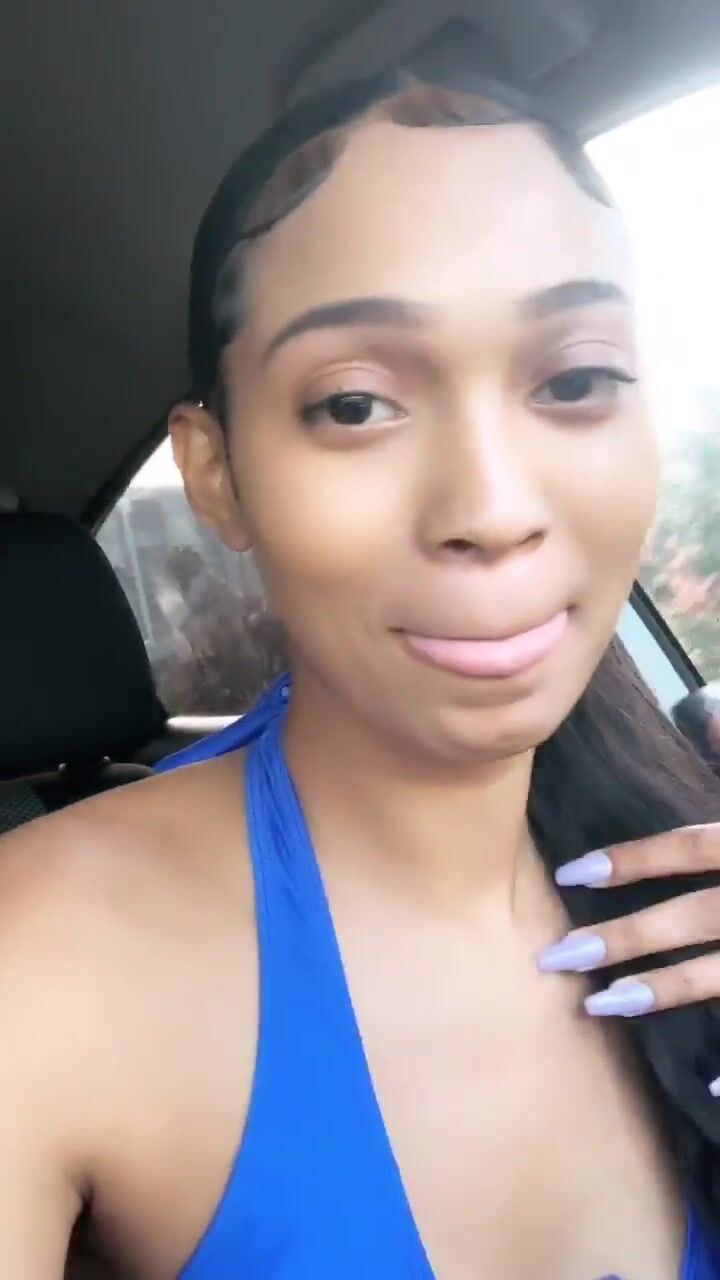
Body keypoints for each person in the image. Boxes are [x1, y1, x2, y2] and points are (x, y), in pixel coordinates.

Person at [5, 63, 720, 1280]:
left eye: (575, 381)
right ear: (217, 472)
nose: (491, 508)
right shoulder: (42, 957)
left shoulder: (680, 837)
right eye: (352, 404)